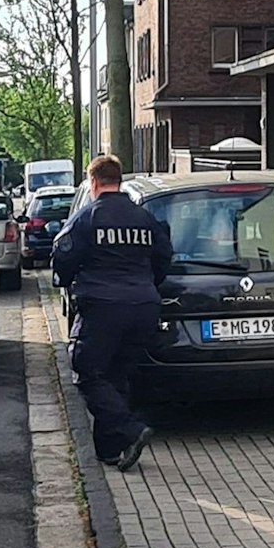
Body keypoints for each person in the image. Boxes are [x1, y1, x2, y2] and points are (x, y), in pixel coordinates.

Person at [52, 154, 170, 471]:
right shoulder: (144, 217)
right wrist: (145, 285)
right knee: (116, 376)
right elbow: (164, 258)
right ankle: (110, 450)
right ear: (120, 181)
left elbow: (63, 260)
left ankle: (132, 430)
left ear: (93, 183)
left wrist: (66, 281)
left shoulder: (86, 217)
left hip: (102, 307)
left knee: (87, 372)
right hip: (144, 306)